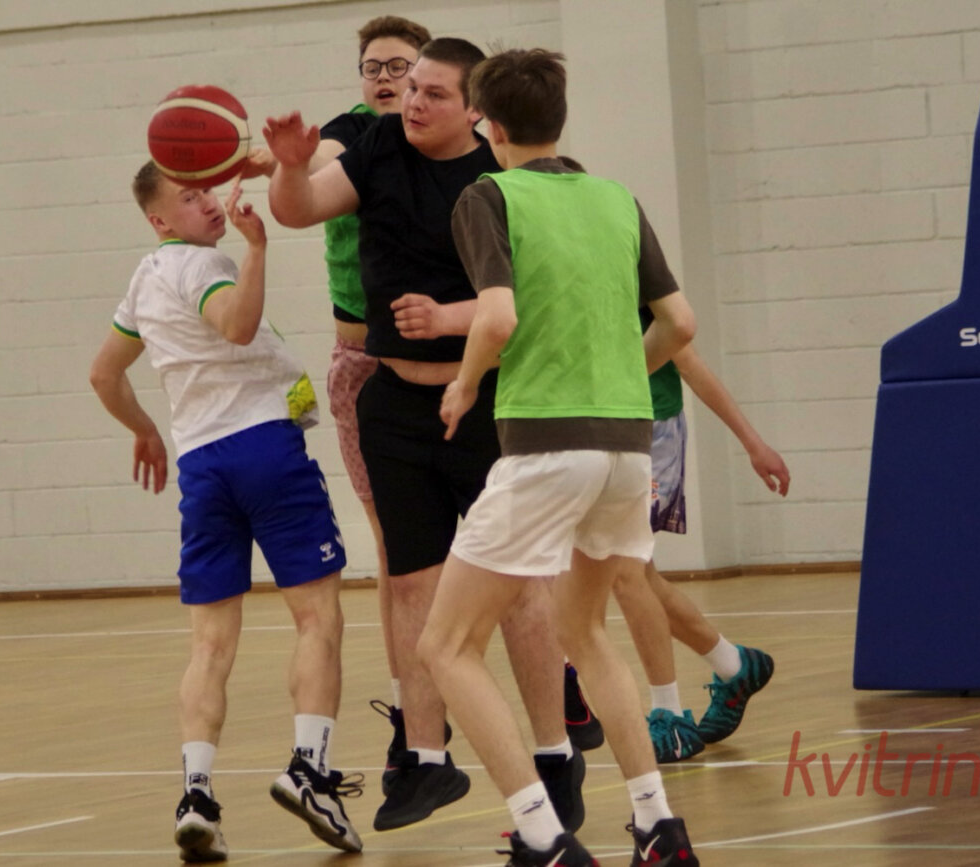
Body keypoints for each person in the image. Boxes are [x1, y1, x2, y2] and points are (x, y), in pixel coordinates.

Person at [264, 37, 576, 833]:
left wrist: (450, 318)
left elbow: (538, 296)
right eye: (411, 89)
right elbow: (296, 208)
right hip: (394, 403)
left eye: (433, 93)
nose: (412, 102)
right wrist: (292, 167)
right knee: (410, 583)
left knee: (520, 587)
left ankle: (554, 752)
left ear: (474, 110)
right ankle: (428, 758)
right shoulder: (377, 148)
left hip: (490, 400)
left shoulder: (500, 178)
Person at [417, 48, 702, 866]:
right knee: (584, 629)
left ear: (488, 125)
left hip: (547, 446)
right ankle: (657, 823)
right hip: (626, 446)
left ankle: (542, 836)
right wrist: (617, 379)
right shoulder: (617, 198)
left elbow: (496, 318)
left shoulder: (488, 194)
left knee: (445, 646)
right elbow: (679, 324)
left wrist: (465, 383)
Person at [89, 164, 363, 861]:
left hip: (202, 467)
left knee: (209, 645)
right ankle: (310, 771)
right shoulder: (205, 265)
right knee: (319, 618)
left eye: (207, 190)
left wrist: (145, 430)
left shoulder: (144, 279)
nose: (209, 203)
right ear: (159, 220)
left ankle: (197, 797)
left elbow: (104, 373)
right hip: (263, 451)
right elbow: (238, 326)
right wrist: (258, 249)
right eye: (189, 197)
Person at [242, 12, 436, 792]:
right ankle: (410, 711)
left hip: (454, 361)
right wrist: (267, 158)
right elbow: (312, 158)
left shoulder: (453, 142)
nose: (384, 78)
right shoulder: (352, 135)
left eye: (399, 65)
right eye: (372, 67)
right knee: (396, 549)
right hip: (365, 363)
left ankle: (558, 683)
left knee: (495, 545)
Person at [612, 342, 790, 762]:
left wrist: (753, 443)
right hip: (602, 427)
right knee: (634, 574)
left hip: (651, 430)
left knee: (625, 571)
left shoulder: (645, 298)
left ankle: (670, 713)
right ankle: (735, 666)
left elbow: (688, 358)